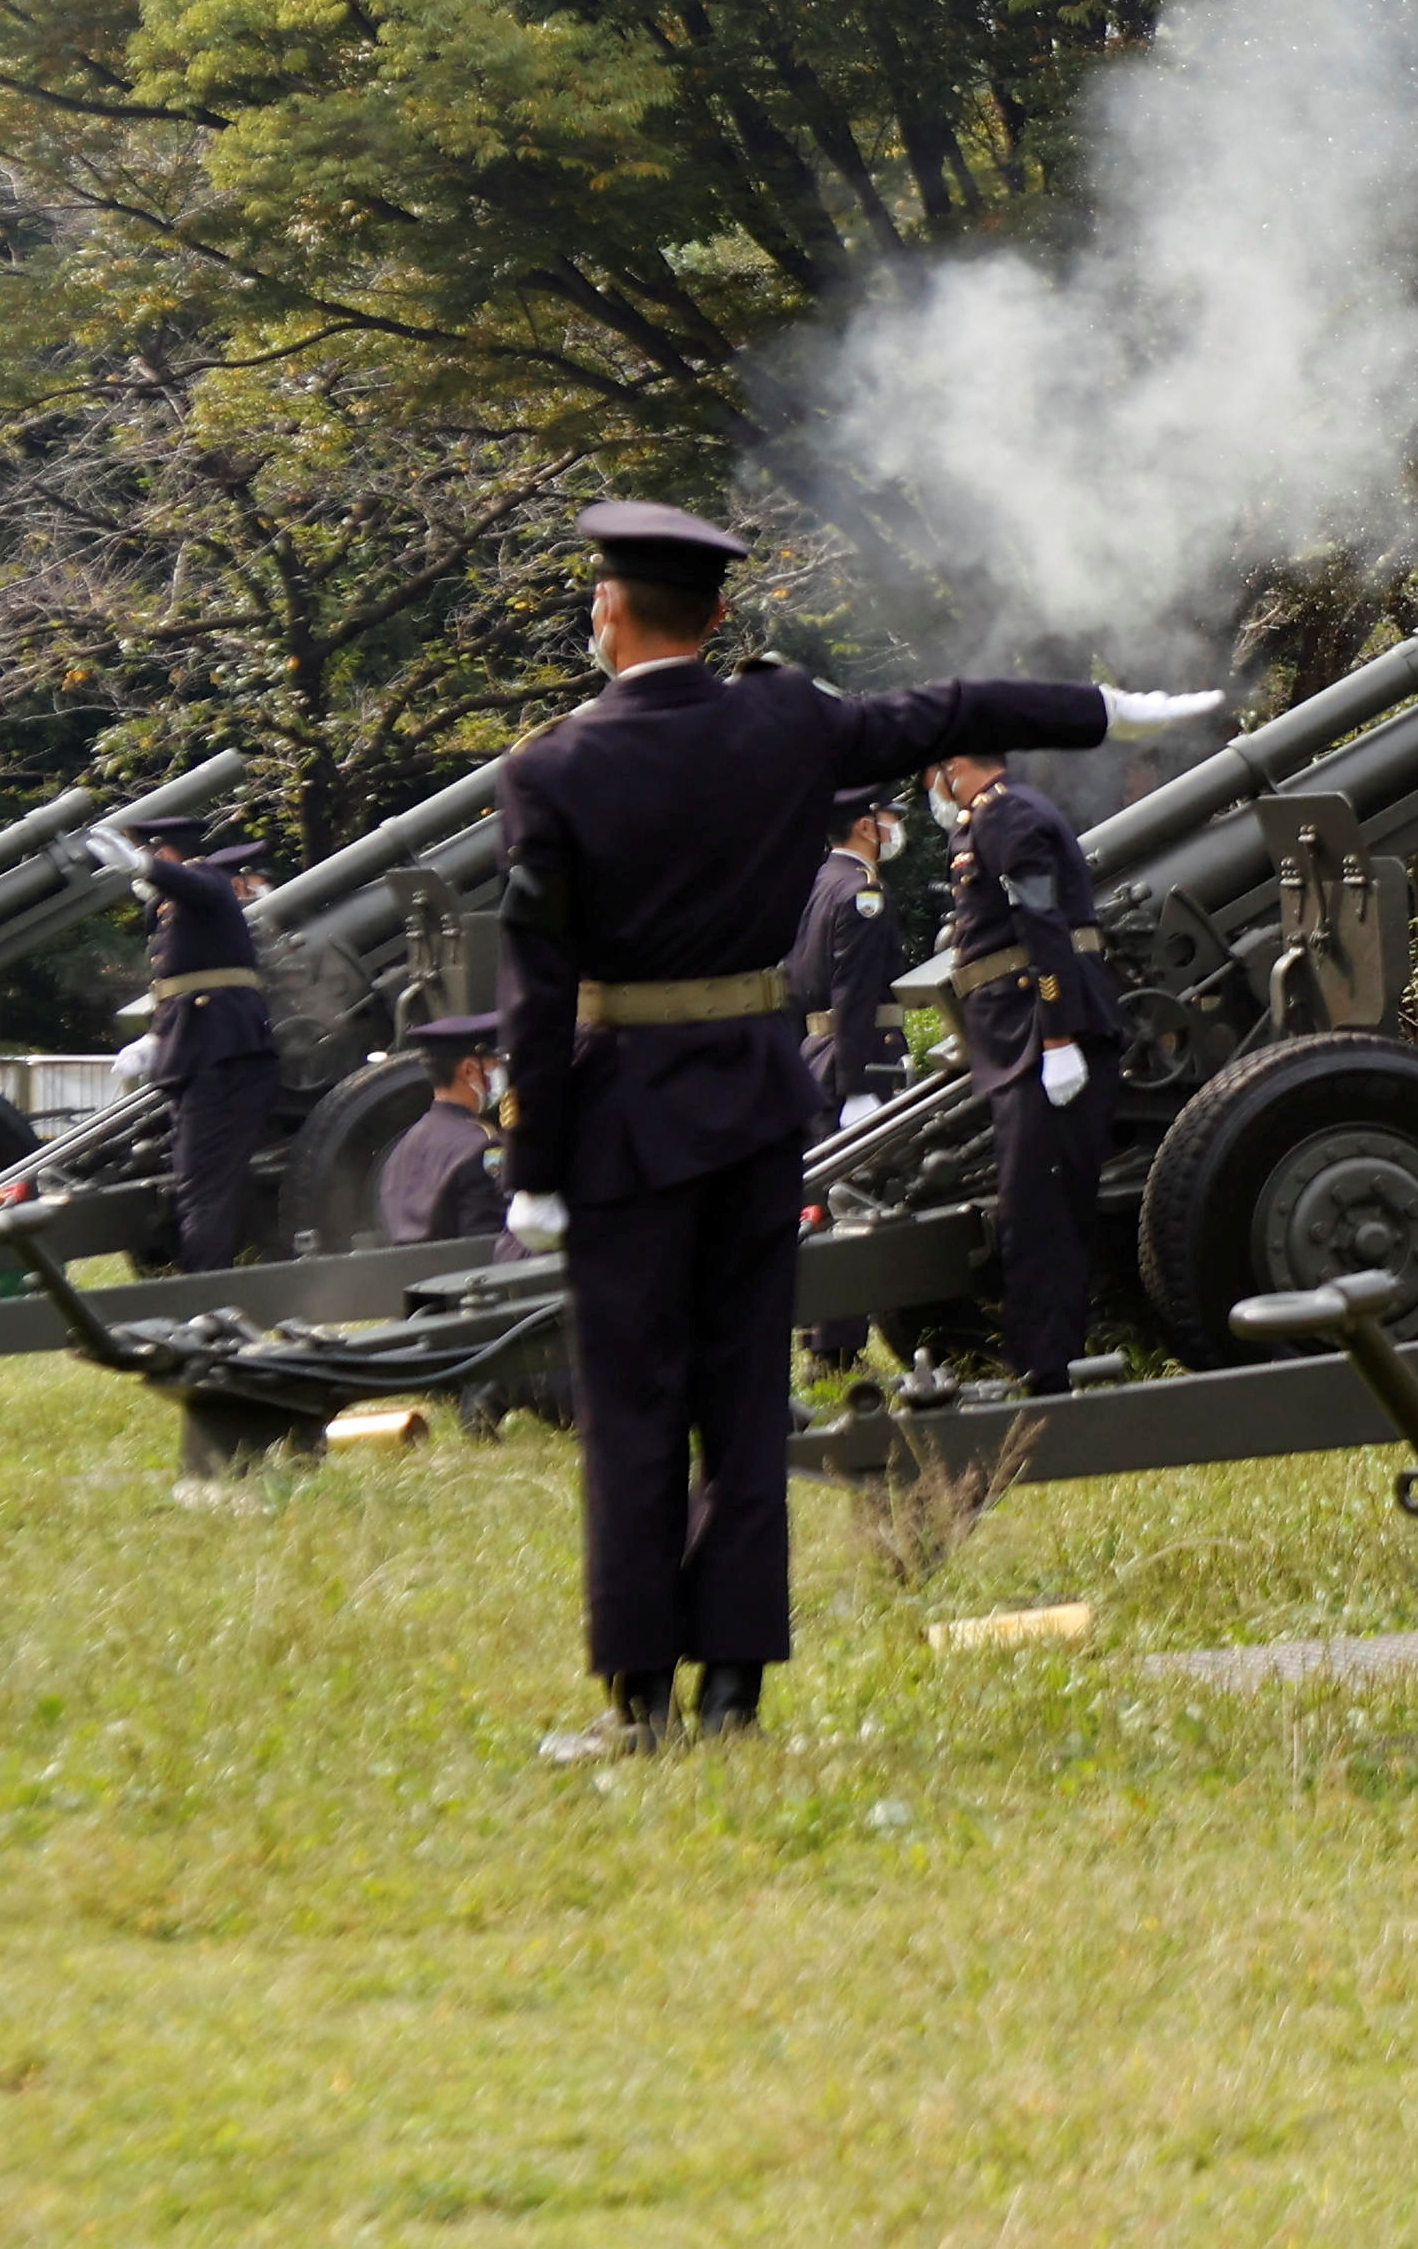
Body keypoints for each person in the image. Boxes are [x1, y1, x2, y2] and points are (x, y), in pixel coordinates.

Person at [494, 499, 1223, 1757]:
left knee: (632, 1410)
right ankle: (733, 1694)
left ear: (607, 612)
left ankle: (641, 1704)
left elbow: (537, 982)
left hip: (622, 1120)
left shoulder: (549, 769)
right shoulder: (782, 720)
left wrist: (535, 1162)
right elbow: (950, 707)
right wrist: (1108, 711)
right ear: (720, 615)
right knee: (744, 1402)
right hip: (754, 1101)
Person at [929, 742, 1122, 1400]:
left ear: (957, 763)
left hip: (1040, 1036)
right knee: (1031, 1211)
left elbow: (1042, 926)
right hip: (1018, 1036)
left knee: (1043, 1215)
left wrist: (1058, 1033)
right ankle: (1041, 1363)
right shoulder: (988, 817)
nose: (933, 787)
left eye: (934, 772)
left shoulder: (1006, 815)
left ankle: (1048, 1373)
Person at [125, 816, 279, 1273]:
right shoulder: (172, 906)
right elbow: (178, 984)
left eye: (151, 853)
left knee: (204, 1189)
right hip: (196, 1051)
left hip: (221, 1051)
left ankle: (206, 1294)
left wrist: (146, 868)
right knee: (195, 1183)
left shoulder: (206, 880)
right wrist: (155, 1037)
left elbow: (196, 882)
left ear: (166, 853)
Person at [795, 789, 909, 1126]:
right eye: (890, 817)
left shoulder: (821, 881)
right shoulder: (863, 891)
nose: (897, 824)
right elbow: (854, 989)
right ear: (865, 826)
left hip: (817, 1055)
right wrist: (856, 1086)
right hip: (862, 1061)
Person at [376, 1014, 511, 1244]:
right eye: (494, 1064)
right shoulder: (483, 1146)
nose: (500, 1071)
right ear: (469, 1070)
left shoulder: (404, 1146)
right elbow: (487, 1239)